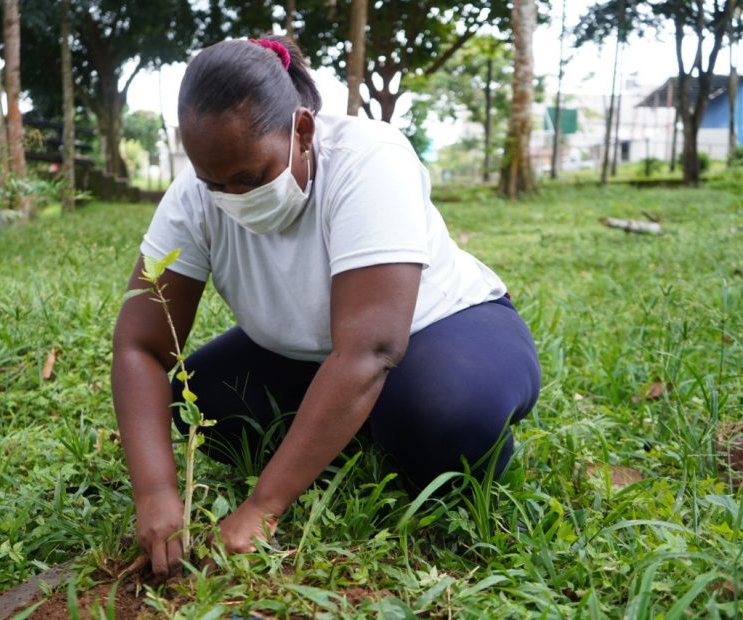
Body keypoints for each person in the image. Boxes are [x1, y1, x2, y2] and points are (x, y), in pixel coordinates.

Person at [111, 36, 540, 580]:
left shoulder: (368, 159)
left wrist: (262, 508)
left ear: (303, 131)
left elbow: (371, 349)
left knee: (444, 419)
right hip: (315, 356)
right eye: (214, 182)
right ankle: (358, 428)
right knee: (210, 401)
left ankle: (409, 427)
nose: (232, 196)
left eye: (250, 177)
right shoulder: (196, 196)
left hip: (442, 328)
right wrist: (154, 492)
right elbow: (139, 345)